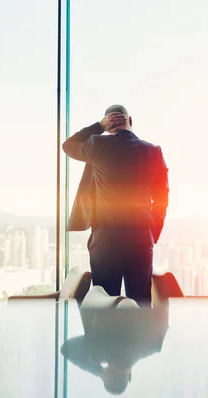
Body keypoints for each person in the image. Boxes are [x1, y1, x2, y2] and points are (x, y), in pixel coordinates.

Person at [62, 105, 169, 307]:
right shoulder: (153, 151)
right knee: (141, 304)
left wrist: (97, 127)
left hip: (105, 239)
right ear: (131, 120)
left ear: (108, 125)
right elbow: (162, 197)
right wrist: (151, 233)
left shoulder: (97, 144)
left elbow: (68, 145)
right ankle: (138, 338)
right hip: (141, 238)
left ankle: (107, 339)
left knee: (104, 304)